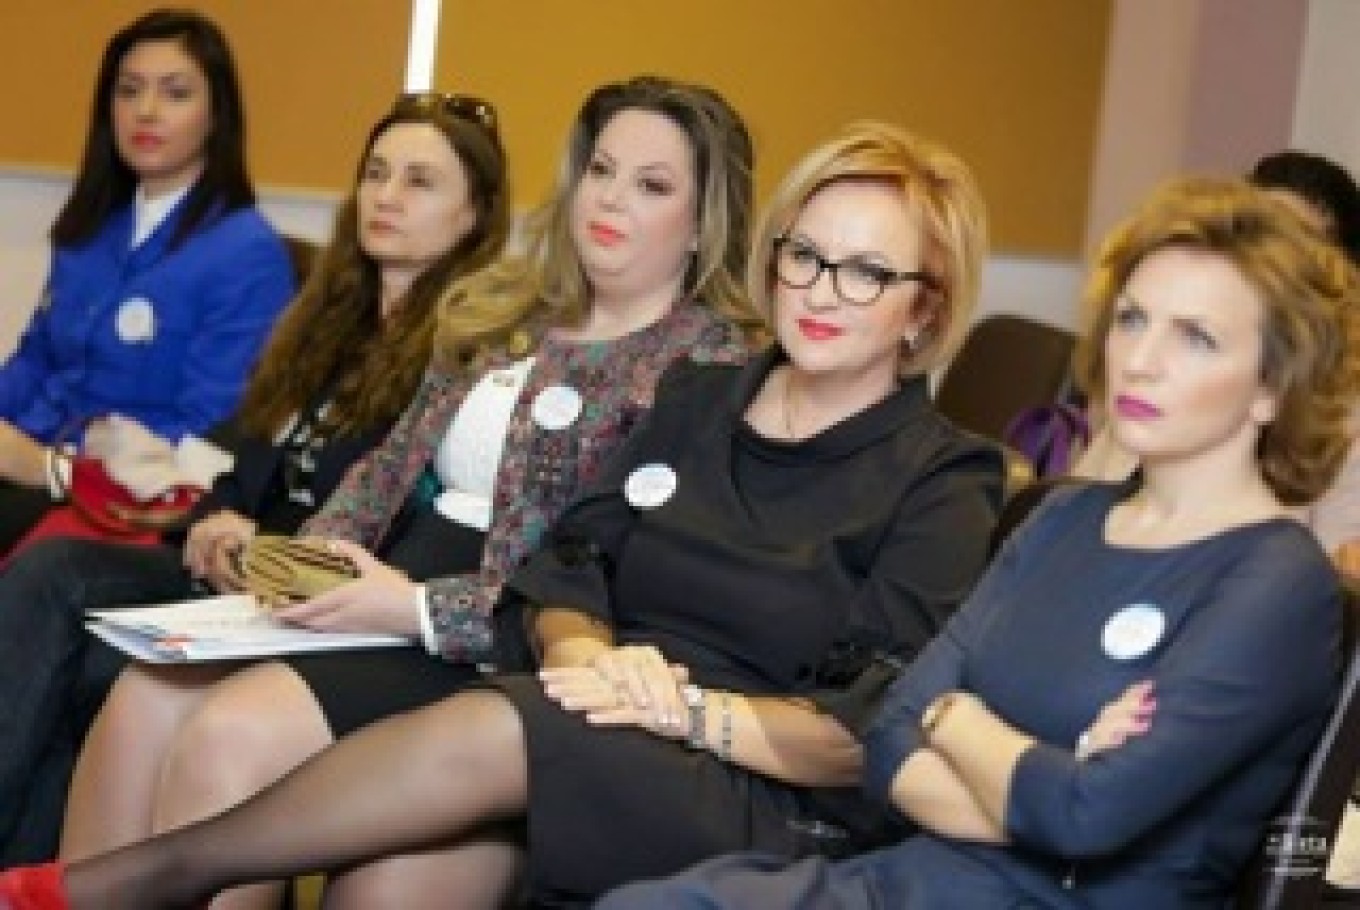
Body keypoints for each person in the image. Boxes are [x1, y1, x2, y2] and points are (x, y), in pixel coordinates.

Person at [0, 120, 1006, 910]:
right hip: (594, 711)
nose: (822, 291)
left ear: (924, 307)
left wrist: (681, 710)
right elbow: (569, 564)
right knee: (397, 870)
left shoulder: (944, 474)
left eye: (867, 272)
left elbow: (863, 729)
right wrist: (585, 653)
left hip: (751, 778)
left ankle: (139, 879)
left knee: (502, 720)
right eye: (805, 256)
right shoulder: (705, 398)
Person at [56, 75, 761, 908]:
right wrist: (305, 563)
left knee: (230, 735)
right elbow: (385, 471)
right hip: (384, 589)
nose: (610, 199)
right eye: (601, 171)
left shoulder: (706, 367)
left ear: (702, 222)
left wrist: (415, 608)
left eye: (652, 185)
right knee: (142, 698)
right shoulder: (508, 312)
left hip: (505, 639)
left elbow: (620, 576)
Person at [596, 176, 1360, 910]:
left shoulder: (1277, 582)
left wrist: (956, 722)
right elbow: (890, 736)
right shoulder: (1064, 516)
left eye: (1196, 337)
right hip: (909, 881)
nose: (1142, 360)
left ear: (1274, 384)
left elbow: (1086, 816)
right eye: (1132, 319)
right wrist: (1013, 762)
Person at [0, 89, 509, 864]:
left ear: (474, 215)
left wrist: (264, 551)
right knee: (53, 570)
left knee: (93, 663)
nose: (387, 196)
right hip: (228, 579)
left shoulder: (470, 358)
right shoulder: (322, 321)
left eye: (420, 181)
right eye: (376, 173)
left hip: (322, 605)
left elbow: (410, 531)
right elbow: (236, 454)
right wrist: (213, 519)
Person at [0, 8, 297, 552]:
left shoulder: (246, 253)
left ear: (217, 114)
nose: (146, 111)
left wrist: (57, 467)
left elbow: (210, 430)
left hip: (125, 497)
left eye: (175, 93)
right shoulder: (90, 227)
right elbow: (35, 360)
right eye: (128, 91)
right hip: (33, 461)